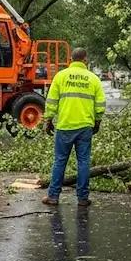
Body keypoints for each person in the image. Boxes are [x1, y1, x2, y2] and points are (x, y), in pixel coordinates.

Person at [43, 48, 106, 207]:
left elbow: (51, 100)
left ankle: (53, 196)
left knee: (60, 161)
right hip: (85, 127)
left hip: (65, 126)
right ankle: (83, 198)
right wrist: (97, 122)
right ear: (85, 60)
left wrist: (48, 119)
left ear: (71, 59)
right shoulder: (93, 79)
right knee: (83, 162)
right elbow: (100, 105)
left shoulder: (61, 76)